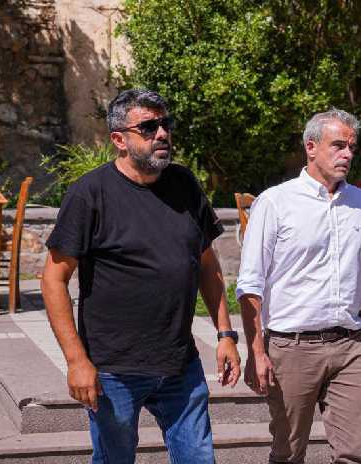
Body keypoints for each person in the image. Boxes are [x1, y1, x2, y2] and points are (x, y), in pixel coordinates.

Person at [41, 89, 241, 464]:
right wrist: (76, 361)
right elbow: (53, 279)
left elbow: (207, 263)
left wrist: (226, 334)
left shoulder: (185, 185)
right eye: (148, 127)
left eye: (166, 124)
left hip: (180, 364)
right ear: (119, 140)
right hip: (114, 370)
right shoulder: (90, 194)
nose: (162, 133)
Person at [236, 109, 361, 464]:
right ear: (311, 147)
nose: (347, 154)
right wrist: (256, 352)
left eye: (351, 147)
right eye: (338, 145)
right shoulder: (275, 202)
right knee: (288, 453)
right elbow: (250, 284)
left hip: (352, 347)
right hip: (292, 347)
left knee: (354, 455)